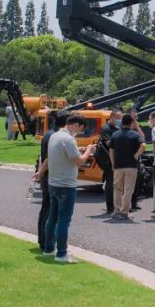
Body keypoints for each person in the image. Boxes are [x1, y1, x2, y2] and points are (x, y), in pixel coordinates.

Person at [42, 115, 96, 262]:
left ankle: (49, 248)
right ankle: (62, 254)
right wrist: (88, 150)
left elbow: (62, 153)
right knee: (63, 221)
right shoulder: (68, 139)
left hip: (53, 183)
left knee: (52, 218)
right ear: (76, 125)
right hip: (66, 185)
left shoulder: (55, 136)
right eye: (80, 129)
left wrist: (79, 149)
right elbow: (79, 161)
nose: (79, 133)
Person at [32, 110, 65, 252]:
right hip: (51, 175)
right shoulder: (54, 136)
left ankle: (43, 239)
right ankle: (46, 240)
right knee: (50, 211)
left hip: (47, 175)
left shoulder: (48, 134)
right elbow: (48, 158)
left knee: (46, 209)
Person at [108, 112, 145, 220]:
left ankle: (117, 210)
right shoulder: (135, 134)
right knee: (128, 190)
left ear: (122, 123)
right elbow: (143, 145)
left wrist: (112, 164)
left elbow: (111, 151)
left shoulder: (115, 134)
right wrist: (136, 155)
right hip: (131, 166)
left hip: (118, 165)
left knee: (117, 189)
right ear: (131, 123)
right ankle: (124, 212)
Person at [97, 109, 121, 214]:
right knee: (110, 184)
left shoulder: (116, 127)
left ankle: (117, 206)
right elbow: (108, 143)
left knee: (117, 184)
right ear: (112, 117)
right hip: (108, 160)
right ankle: (110, 207)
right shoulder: (106, 128)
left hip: (116, 158)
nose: (119, 120)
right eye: (118, 118)